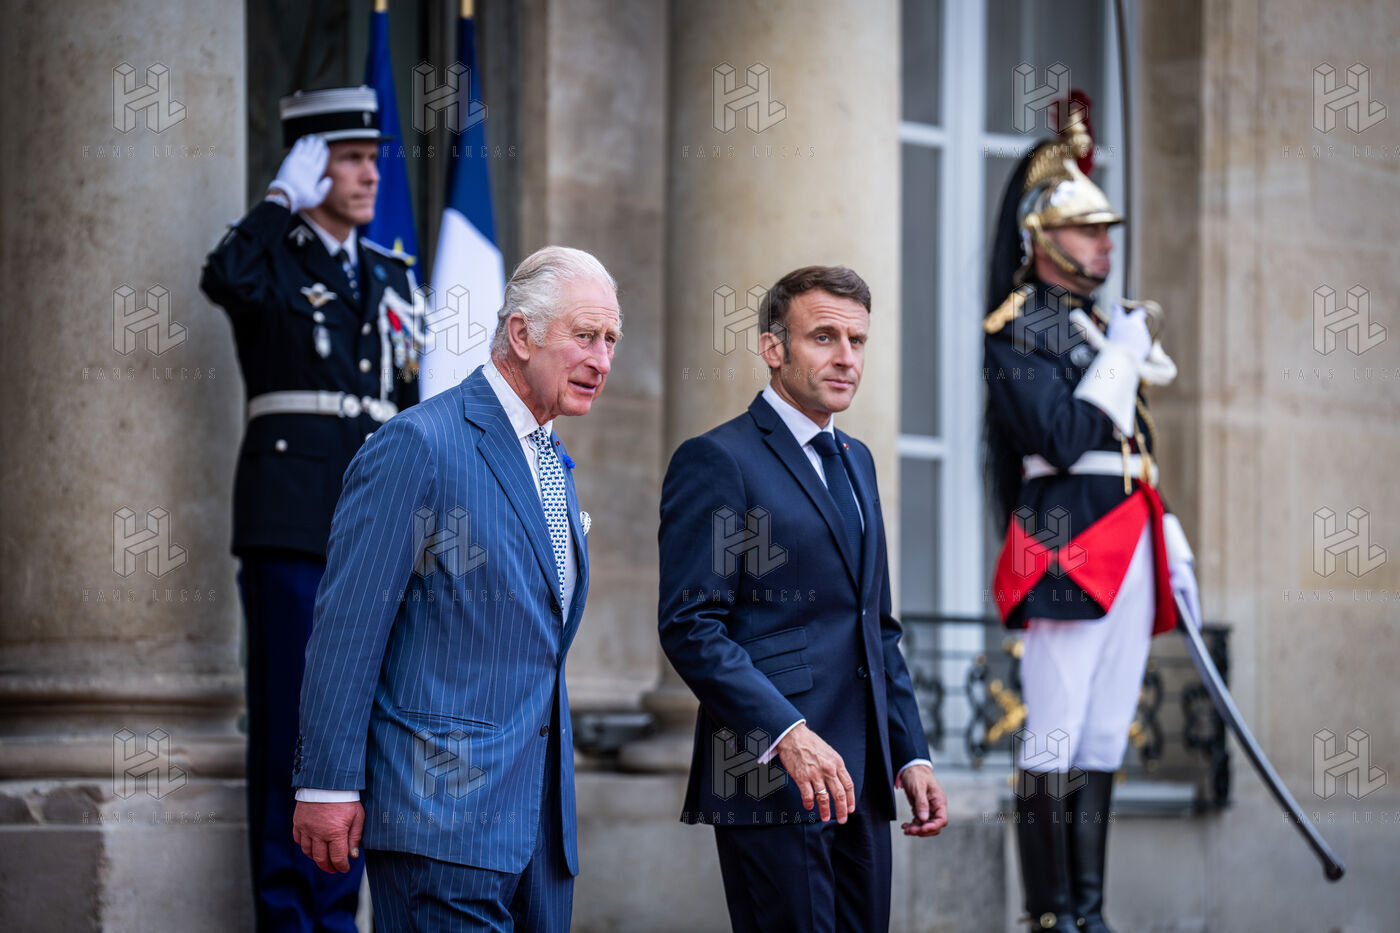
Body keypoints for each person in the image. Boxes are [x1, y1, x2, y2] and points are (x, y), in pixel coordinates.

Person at [290, 246, 621, 932]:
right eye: (585, 335)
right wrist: (326, 782)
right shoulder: (418, 444)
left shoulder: (552, 461)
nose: (602, 360)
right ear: (522, 334)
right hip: (440, 821)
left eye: (611, 340)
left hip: (539, 836)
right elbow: (349, 628)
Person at [658, 265, 949, 932]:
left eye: (857, 340)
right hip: (768, 775)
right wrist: (785, 734)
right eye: (823, 337)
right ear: (773, 347)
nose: (846, 357)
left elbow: (875, 625)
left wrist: (911, 752)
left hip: (862, 779)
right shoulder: (717, 460)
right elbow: (691, 625)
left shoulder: (858, 459)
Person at [200, 85, 421, 932]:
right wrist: (277, 202)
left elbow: (408, 403)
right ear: (308, 164)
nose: (370, 174)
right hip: (292, 521)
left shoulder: (392, 273)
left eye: (373, 158)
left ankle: (338, 914)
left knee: (354, 726)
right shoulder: (271, 258)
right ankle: (289, 917)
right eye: (350, 158)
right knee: (292, 723)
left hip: (373, 528)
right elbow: (223, 279)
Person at [982, 102, 1200, 933]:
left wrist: (1167, 531)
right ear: (1042, 236)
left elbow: (1131, 447)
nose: (1105, 244)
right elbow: (1066, 437)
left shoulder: (1094, 324)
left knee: (1106, 731)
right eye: (1088, 229)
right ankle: (1050, 916)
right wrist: (1118, 358)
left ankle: (1090, 912)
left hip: (1130, 534)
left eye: (1108, 230)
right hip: (1065, 540)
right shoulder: (1018, 328)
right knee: (1054, 731)